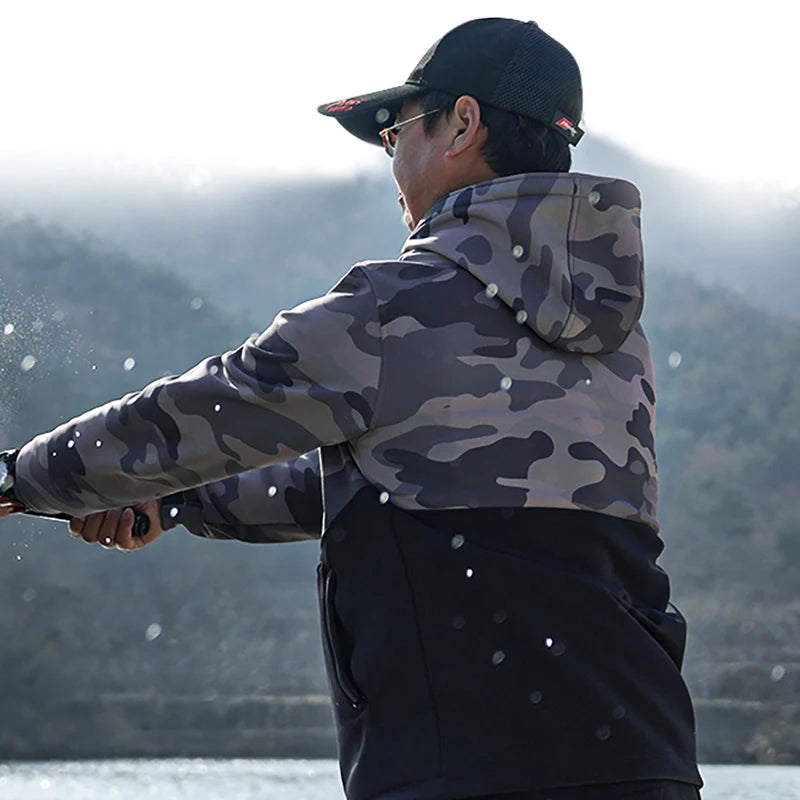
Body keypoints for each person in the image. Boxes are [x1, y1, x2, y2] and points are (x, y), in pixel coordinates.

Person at [0, 17, 702, 800]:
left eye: (395, 129)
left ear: (461, 125)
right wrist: (176, 499)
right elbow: (397, 477)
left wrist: (21, 476)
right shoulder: (618, 345)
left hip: (464, 771)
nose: (391, 160)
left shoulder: (392, 310)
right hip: (645, 760)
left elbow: (201, 415)